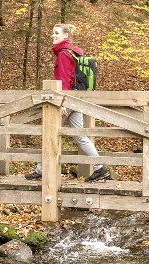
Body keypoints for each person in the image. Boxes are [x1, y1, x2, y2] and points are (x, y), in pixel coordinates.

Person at [25, 23, 110, 183]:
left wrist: (62, 103)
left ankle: (41, 170)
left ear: (66, 36)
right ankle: (100, 168)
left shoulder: (64, 54)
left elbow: (63, 79)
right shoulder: (72, 52)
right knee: (80, 137)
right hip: (75, 98)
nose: (53, 35)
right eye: (53, 32)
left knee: (49, 131)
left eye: (56, 33)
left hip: (66, 99)